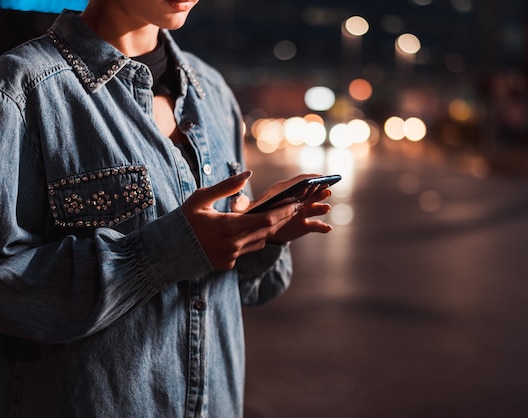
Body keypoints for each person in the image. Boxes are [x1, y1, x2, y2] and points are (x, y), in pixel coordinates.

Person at [0, 0, 334, 416]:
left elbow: (245, 291)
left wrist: (262, 234)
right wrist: (165, 252)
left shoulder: (211, 91)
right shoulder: (21, 88)